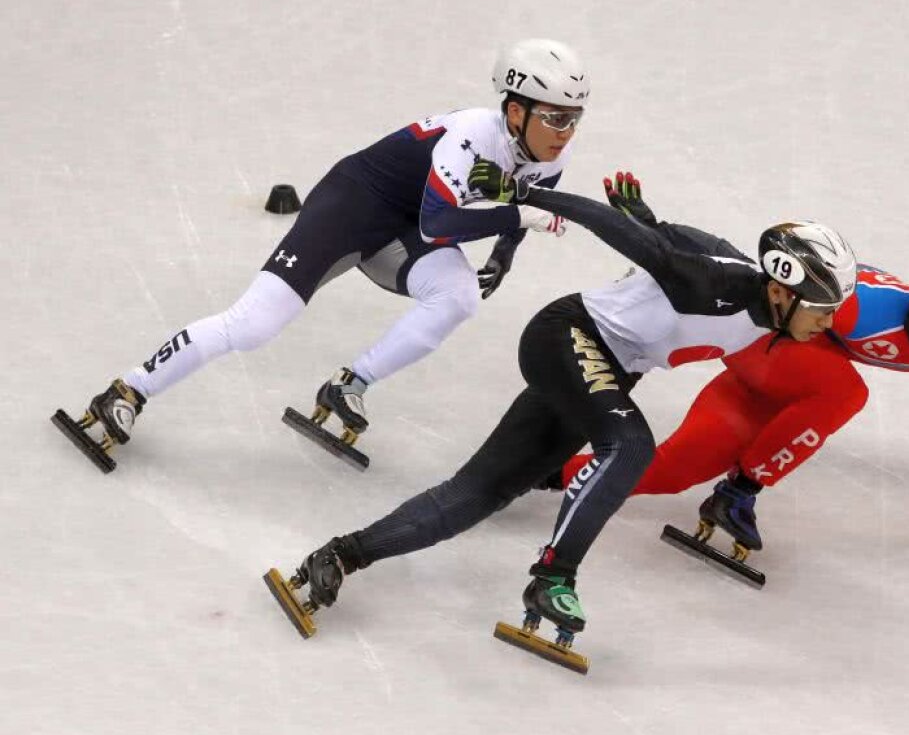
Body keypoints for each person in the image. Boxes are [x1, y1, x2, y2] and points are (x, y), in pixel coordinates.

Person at [264, 167, 858, 660]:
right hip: (566, 335)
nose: (829, 323)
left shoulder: (743, 281)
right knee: (629, 445)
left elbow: (683, 238)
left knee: (478, 493)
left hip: (603, 370)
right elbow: (620, 236)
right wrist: (522, 193)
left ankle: (339, 555)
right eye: (824, 308)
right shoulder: (710, 284)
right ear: (783, 288)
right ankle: (554, 576)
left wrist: (651, 218)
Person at [53, 39, 589, 470]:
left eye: (574, 119)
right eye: (556, 118)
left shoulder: (543, 157)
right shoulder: (474, 133)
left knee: (459, 296)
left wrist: (504, 253)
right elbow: (443, 221)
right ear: (516, 110)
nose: (566, 133)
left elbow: (521, 201)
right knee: (254, 324)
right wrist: (521, 219)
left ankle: (347, 386)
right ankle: (127, 390)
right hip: (354, 205)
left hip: (404, 226)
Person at [557, 181, 909, 549]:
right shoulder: (858, 307)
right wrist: (655, 228)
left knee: (666, 473)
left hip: (789, 388)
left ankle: (540, 473)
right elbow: (756, 274)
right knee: (847, 392)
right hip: (768, 353)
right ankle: (739, 493)